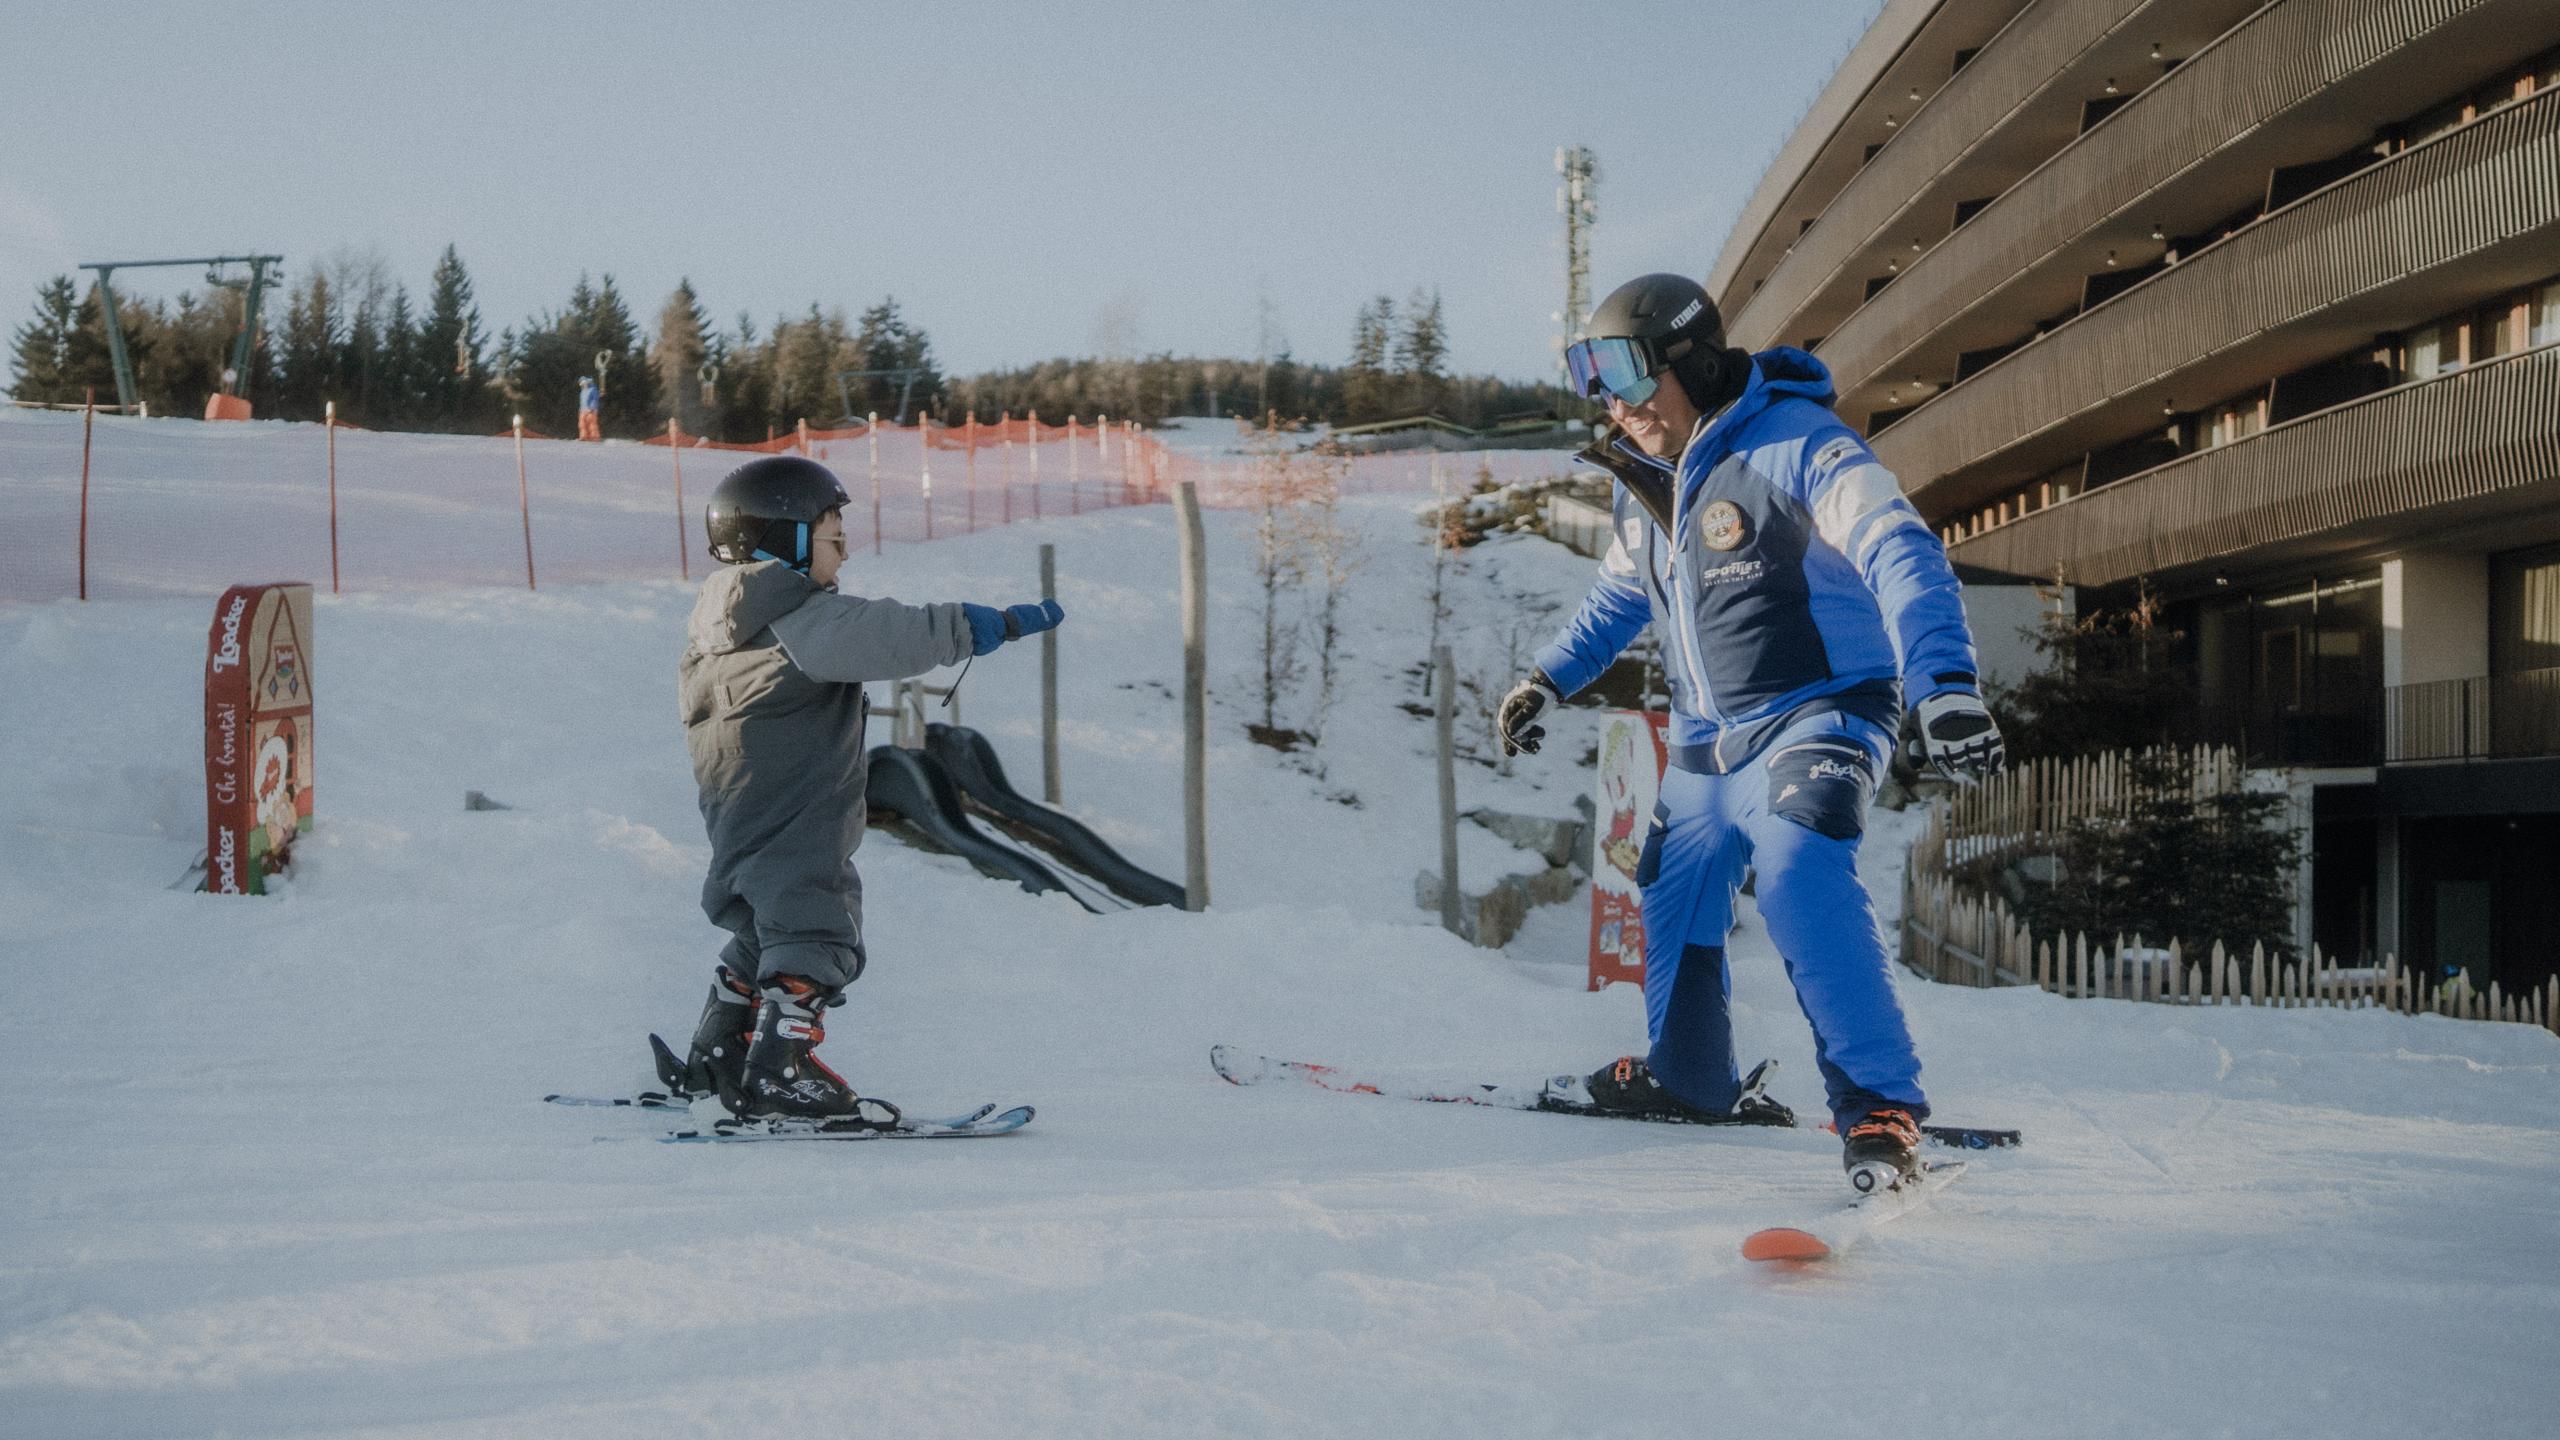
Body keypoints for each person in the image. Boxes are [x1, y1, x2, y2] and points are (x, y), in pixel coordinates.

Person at [1502, 273, 2004, 1192]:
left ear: (1694, 365)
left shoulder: (1800, 444)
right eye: (1593, 382)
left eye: (1629, 376)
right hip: (1709, 739)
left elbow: (1900, 548)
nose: (1614, 404)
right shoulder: (1645, 481)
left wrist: (1944, 682)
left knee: (1797, 866)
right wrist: (1547, 678)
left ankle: (1879, 1102)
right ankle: (1689, 1076)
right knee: (1673, 885)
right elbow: (1618, 596)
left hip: (1822, 708)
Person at [660, 454, 1063, 1125]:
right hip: (795, 814)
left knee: (765, 929)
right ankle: (781, 1073)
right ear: (786, 541)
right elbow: (891, 634)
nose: (845, 554)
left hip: (741, 806)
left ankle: (719, 1052)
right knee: (817, 927)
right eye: (835, 538)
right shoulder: (800, 621)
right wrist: (985, 623)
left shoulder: (725, 625)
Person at [577, 375, 601, 441]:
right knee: (582, 424)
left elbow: (594, 399)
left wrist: (592, 407)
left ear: (587, 382)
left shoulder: (592, 390)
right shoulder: (582, 391)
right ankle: (583, 436)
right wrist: (580, 409)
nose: (583, 385)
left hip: (591, 410)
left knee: (591, 424)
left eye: (584, 383)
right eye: (581, 384)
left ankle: (594, 437)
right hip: (583, 410)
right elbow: (582, 401)